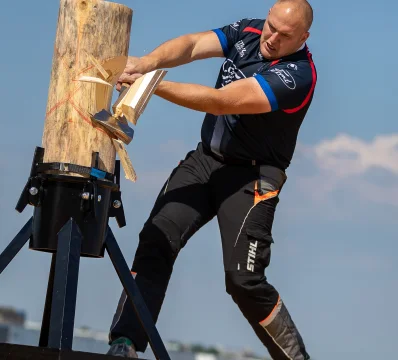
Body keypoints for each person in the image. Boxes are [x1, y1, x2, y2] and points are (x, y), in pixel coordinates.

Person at [105, 1, 316, 359]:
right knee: (156, 240)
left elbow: (220, 102)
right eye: (271, 26)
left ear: (304, 38)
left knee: (243, 281)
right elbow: (191, 44)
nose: (272, 38)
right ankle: (125, 344)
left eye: (285, 35)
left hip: (252, 178)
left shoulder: (297, 75)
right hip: (206, 160)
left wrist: (151, 84)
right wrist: (147, 63)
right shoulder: (249, 31)